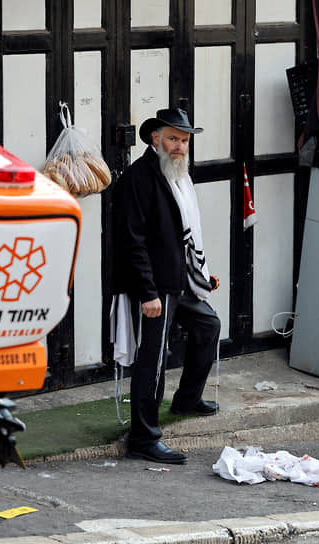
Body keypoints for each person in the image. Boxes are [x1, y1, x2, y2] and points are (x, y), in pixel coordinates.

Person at [112, 108, 221, 465]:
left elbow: (187, 233)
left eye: (185, 140)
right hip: (156, 286)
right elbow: (132, 241)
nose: (179, 146)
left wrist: (201, 275)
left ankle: (187, 398)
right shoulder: (138, 178)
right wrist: (147, 293)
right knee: (153, 361)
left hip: (182, 280)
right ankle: (144, 437)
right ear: (154, 138)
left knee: (208, 326)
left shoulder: (179, 176)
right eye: (173, 138)